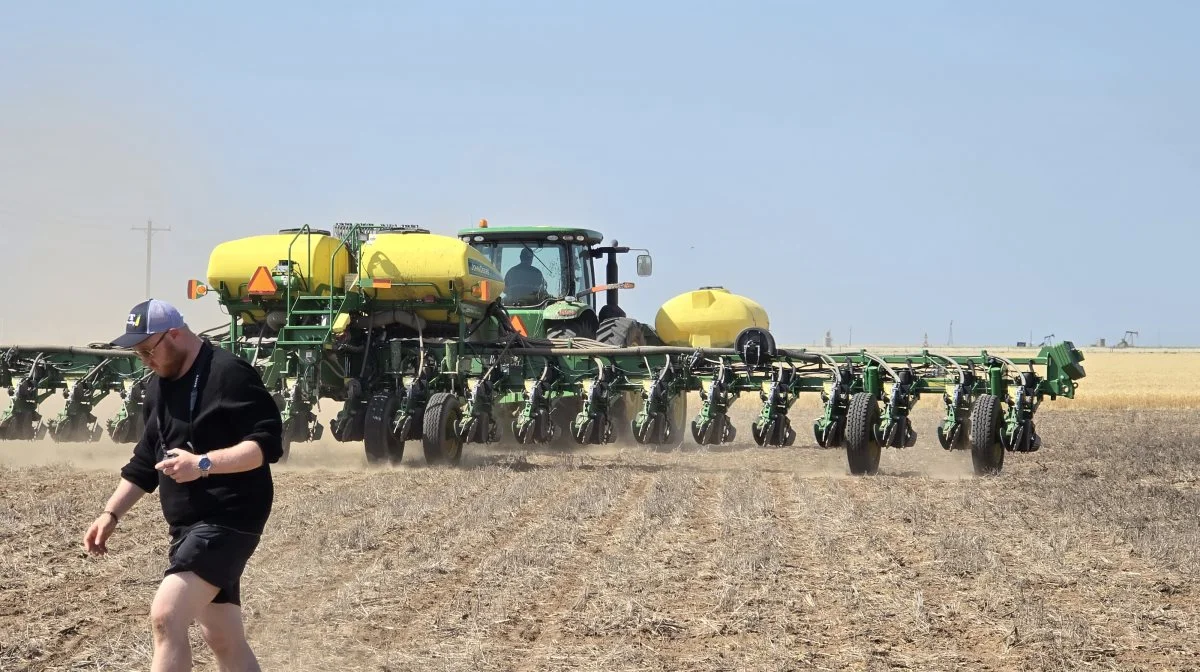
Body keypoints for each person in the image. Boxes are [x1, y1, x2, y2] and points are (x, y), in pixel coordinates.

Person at [83, 298, 283, 672]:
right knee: (222, 635)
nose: (145, 360)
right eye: (138, 354)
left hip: (229, 519)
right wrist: (110, 514)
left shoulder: (229, 373)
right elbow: (146, 461)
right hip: (187, 528)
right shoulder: (159, 387)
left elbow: (265, 446)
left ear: (174, 334)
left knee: (167, 614)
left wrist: (202, 464)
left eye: (147, 350)